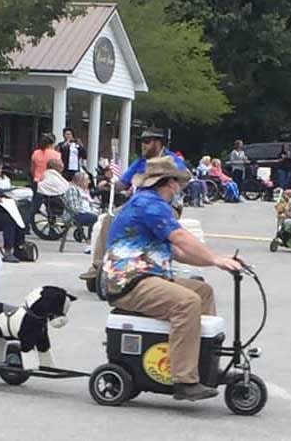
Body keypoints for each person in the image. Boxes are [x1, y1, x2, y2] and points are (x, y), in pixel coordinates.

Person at [102, 156, 243, 401]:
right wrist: (216, 260)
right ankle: (184, 379)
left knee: (203, 291)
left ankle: (204, 364)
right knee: (186, 302)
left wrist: (219, 259)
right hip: (129, 281)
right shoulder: (150, 205)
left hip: (148, 276)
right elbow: (180, 238)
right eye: (178, 183)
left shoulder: (150, 204)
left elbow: (178, 253)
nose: (180, 188)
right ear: (169, 183)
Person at [79, 129, 189, 282]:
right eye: (142, 142)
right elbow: (123, 183)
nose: (143, 145)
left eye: (147, 142)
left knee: (147, 224)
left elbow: (184, 180)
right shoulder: (140, 162)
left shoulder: (172, 160)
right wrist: (107, 184)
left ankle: (151, 265)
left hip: (166, 205)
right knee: (109, 218)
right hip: (139, 204)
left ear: (159, 143)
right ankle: (99, 265)